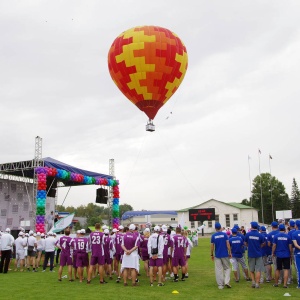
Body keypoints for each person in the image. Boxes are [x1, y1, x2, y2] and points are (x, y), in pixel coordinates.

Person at [210, 222, 232, 289]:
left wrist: (211, 254)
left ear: (215, 228)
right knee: (227, 268)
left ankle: (220, 285)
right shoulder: (225, 235)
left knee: (218, 270)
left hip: (217, 254)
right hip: (225, 254)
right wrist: (230, 252)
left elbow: (212, 246)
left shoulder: (213, 236)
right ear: (221, 227)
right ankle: (227, 282)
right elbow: (228, 244)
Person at [244, 221, 265, 288]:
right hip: (258, 253)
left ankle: (253, 282)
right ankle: (257, 284)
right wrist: (259, 246)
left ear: (251, 227)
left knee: (251, 269)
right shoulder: (260, 235)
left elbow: (245, 243)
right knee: (258, 270)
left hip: (251, 254)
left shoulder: (248, 234)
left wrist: (249, 245)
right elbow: (263, 243)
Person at [272, 224, 292, 288]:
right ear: (285, 229)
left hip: (279, 254)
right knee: (286, 269)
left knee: (278, 269)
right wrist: (290, 254)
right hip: (286, 254)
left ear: (278, 229)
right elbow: (290, 246)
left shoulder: (276, 236)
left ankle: (276, 283)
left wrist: (273, 252)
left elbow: (274, 245)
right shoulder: (288, 236)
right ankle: (285, 284)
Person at [292, 220, 300, 289]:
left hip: (297, 253)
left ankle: (299, 284)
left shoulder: (294, 234)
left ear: (296, 225)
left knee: (298, 269)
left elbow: (296, 245)